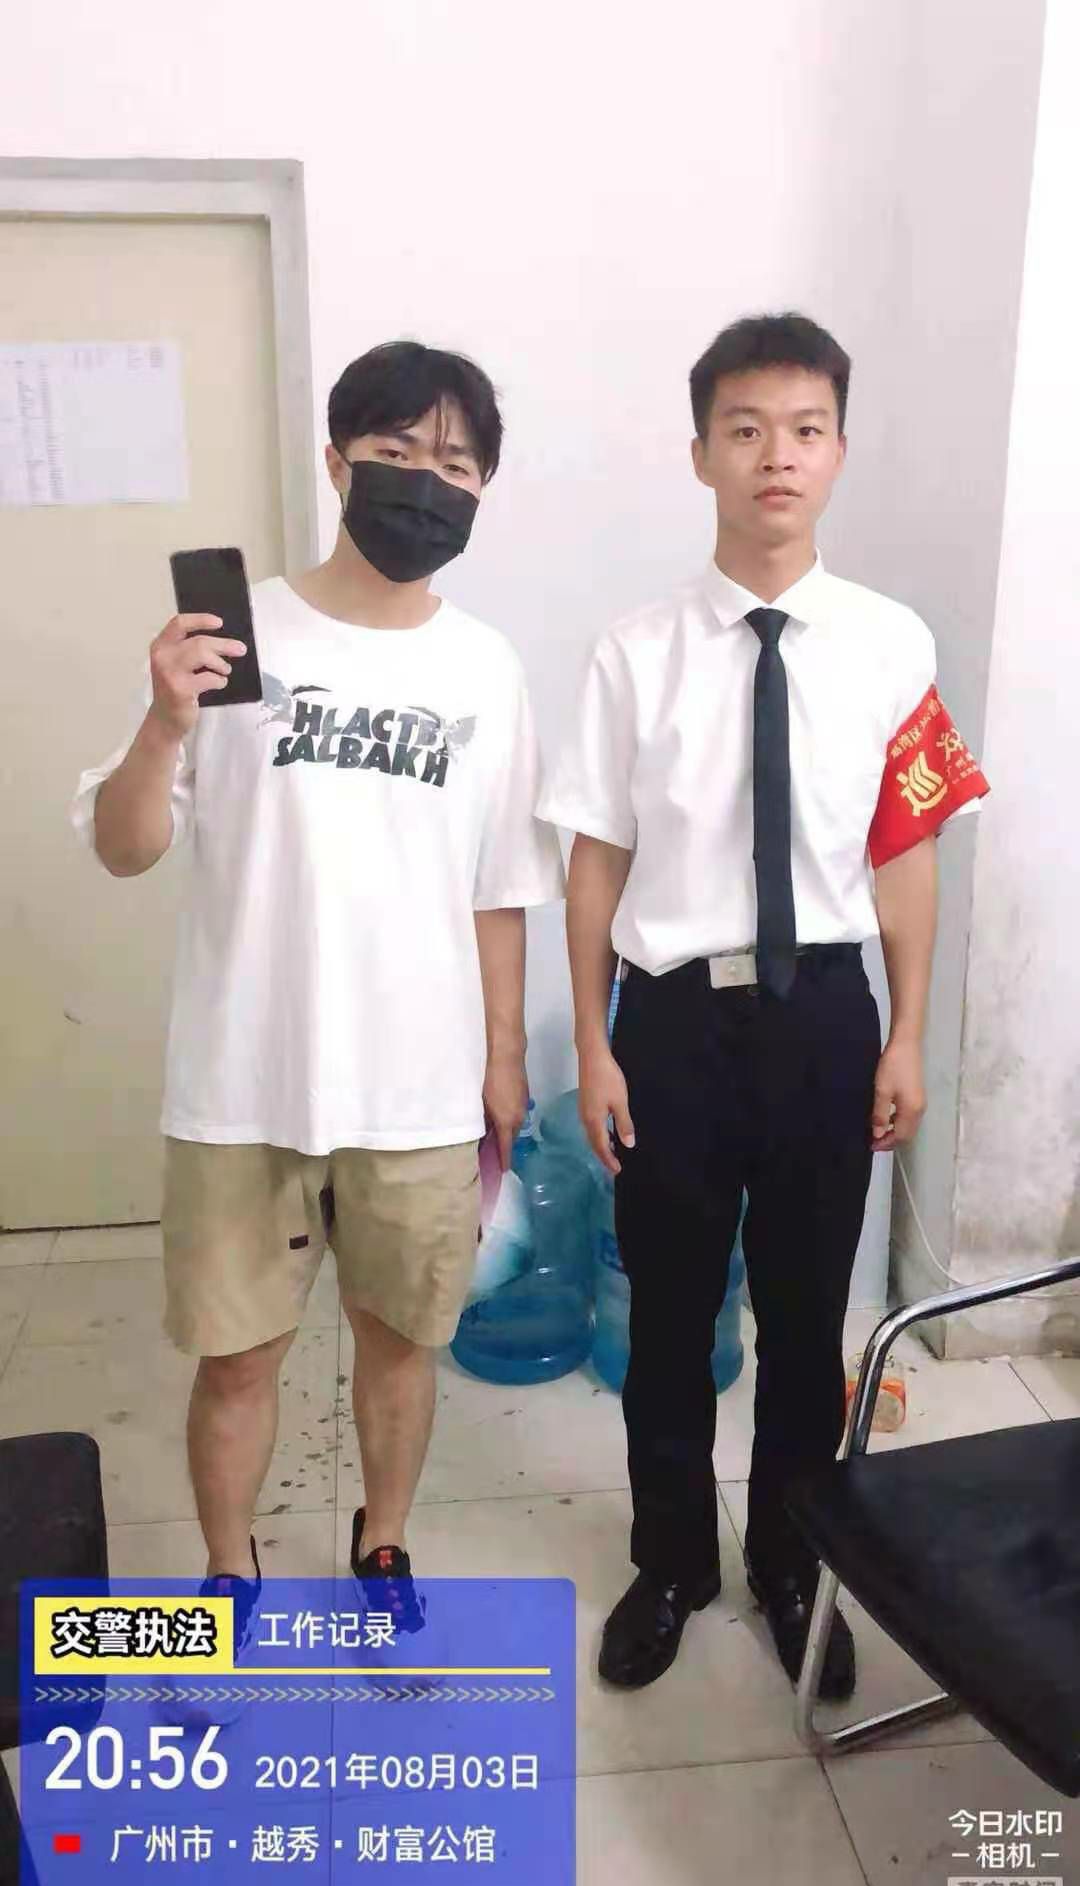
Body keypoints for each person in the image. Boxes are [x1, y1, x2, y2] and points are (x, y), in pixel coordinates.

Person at [73, 340, 564, 1636]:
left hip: (417, 1088)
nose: (425, 481)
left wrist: (502, 1057)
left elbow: (500, 884)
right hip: (245, 1082)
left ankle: (382, 1541)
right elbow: (124, 846)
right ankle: (228, 1568)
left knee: (402, 1347)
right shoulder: (233, 636)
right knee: (238, 1358)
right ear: (338, 461)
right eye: (397, 452)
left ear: (484, 488)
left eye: (455, 463)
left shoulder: (485, 668)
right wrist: (164, 724)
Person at [539, 312, 987, 1698]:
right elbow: (595, 859)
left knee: (805, 1321)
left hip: (825, 1021)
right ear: (701, 455)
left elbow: (905, 854)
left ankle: (795, 1560)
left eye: (804, 429)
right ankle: (672, 1559)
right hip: (674, 1023)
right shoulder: (634, 651)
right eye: (744, 430)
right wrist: (595, 1041)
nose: (775, 456)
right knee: (670, 1316)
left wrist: (906, 1032)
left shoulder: (892, 642)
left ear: (839, 451)